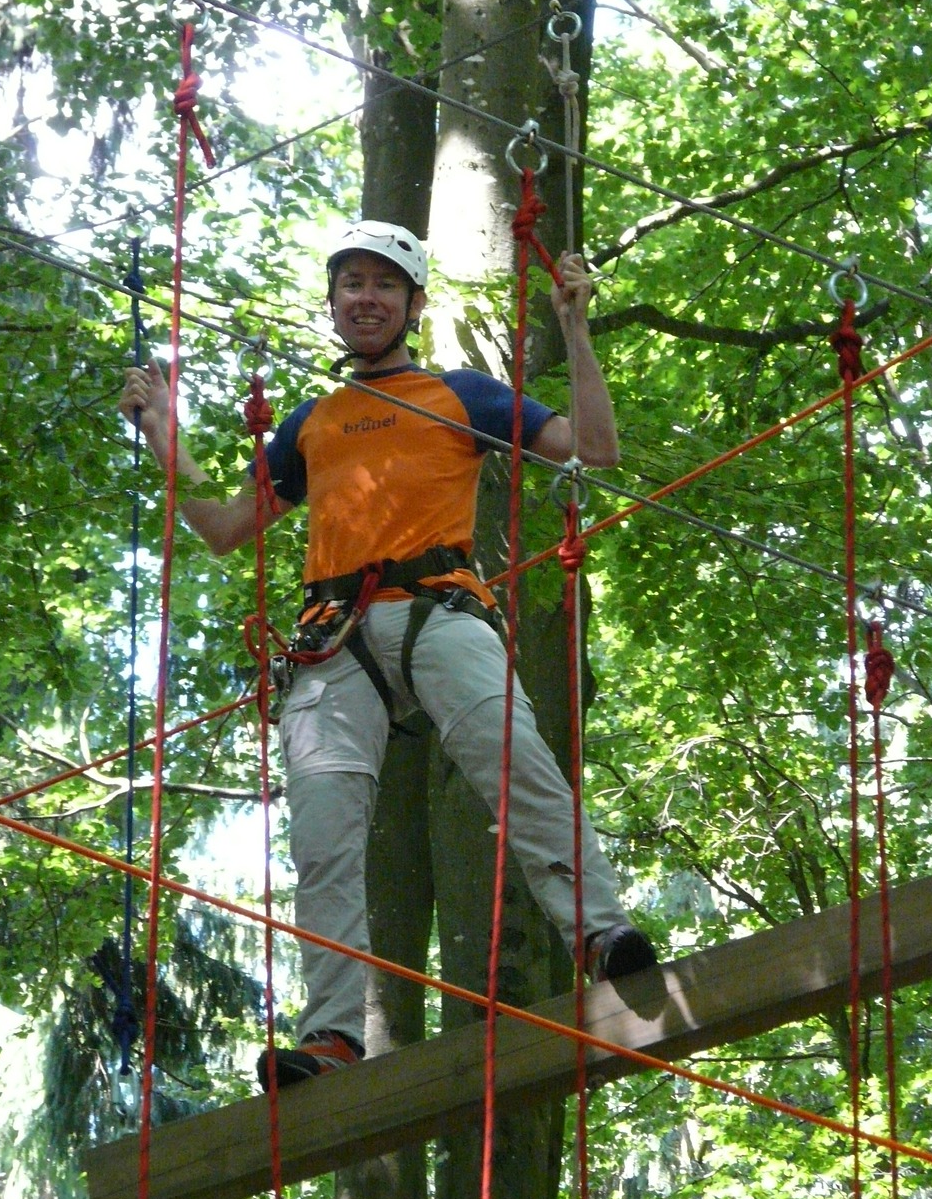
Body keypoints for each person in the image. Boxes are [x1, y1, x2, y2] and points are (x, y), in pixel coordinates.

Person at [119, 220, 657, 1089]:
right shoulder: (311, 423)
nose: (364, 298)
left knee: (515, 759)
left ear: (411, 304)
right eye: (350, 285)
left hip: (440, 610)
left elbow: (596, 450)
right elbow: (224, 529)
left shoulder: (460, 395)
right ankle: (333, 1033)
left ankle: (599, 933)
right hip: (332, 640)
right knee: (323, 834)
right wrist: (162, 432)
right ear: (332, 304)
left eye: (383, 285)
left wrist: (575, 332)